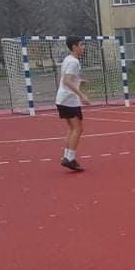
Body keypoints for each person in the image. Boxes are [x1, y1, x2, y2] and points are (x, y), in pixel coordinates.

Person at [55, 36, 90, 172]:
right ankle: (70, 159)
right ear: (74, 47)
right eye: (81, 44)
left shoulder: (68, 59)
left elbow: (66, 78)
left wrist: (79, 81)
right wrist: (82, 95)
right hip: (69, 100)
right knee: (78, 129)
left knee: (72, 129)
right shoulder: (74, 62)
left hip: (62, 99)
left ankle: (67, 157)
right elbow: (67, 81)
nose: (83, 47)